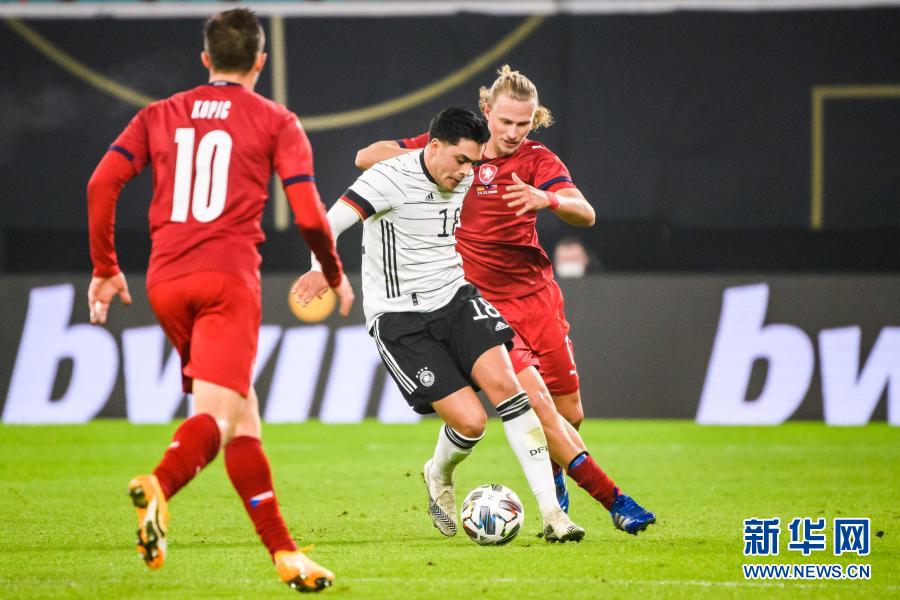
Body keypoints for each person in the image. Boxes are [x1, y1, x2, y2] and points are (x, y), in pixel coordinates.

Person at [86, 9, 353, 593]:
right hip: (227, 282)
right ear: (261, 61)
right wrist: (333, 272)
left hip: (165, 281)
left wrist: (106, 268)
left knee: (242, 417)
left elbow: (101, 183)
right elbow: (310, 216)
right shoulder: (276, 120)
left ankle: (285, 555)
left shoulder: (158, 114)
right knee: (220, 416)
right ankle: (158, 485)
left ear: (206, 58)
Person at [355, 66, 655, 535]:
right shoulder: (459, 151)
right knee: (538, 407)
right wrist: (423, 159)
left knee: (570, 413)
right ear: (486, 111)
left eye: (524, 123)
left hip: (537, 297)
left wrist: (548, 200)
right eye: (505, 122)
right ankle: (615, 501)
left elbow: (586, 212)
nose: (514, 133)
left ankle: (556, 483)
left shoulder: (538, 160)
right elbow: (365, 157)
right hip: (480, 304)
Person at [294, 107, 584, 543]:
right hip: (399, 318)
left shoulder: (464, 176)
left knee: (511, 392)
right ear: (433, 148)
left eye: (473, 162)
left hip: (455, 299)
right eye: (461, 160)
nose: (467, 172)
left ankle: (553, 514)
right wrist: (322, 270)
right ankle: (438, 473)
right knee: (471, 423)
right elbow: (326, 225)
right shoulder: (388, 179)